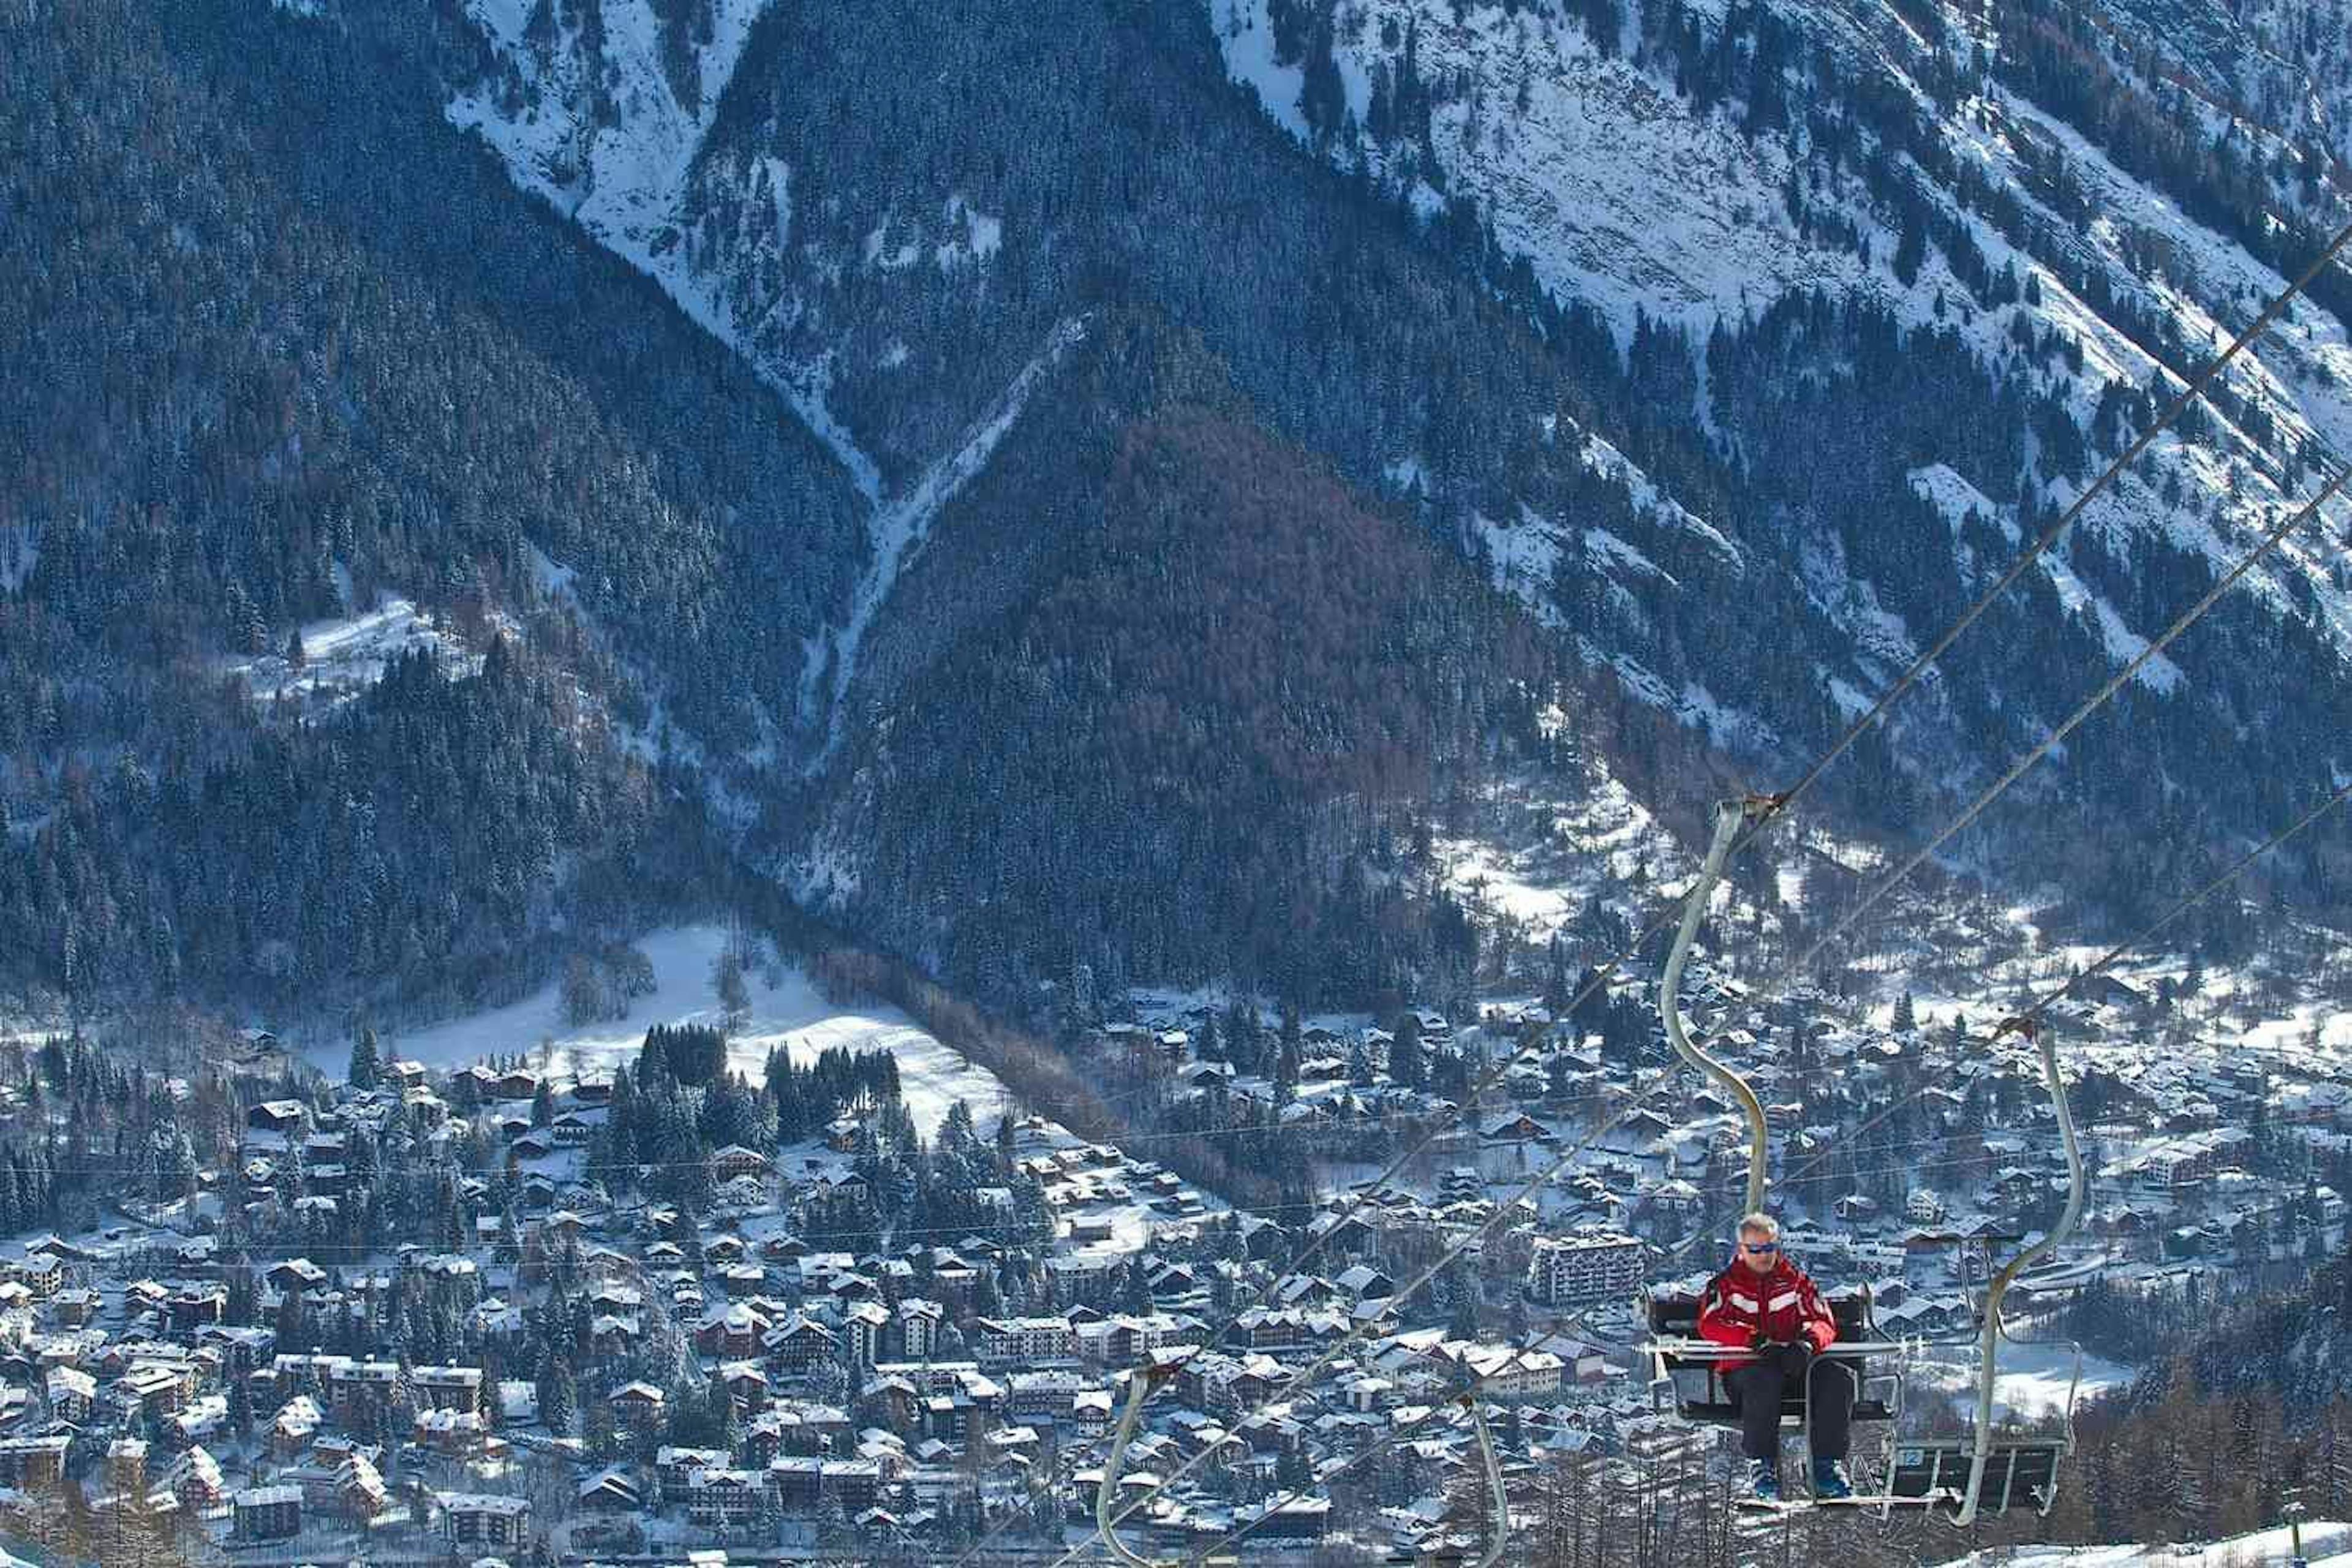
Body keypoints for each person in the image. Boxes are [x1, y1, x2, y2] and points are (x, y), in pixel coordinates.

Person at [1695, 1212, 1856, 1501]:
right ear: (1741, 1250)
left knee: (1837, 1377)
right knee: (1763, 1379)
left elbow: (1823, 1321)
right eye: (1755, 1249)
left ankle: (1825, 1466)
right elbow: (1710, 1324)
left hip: (1792, 1364)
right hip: (1747, 1371)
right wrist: (1753, 1339)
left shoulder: (1795, 1282)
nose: (1763, 1255)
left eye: (1769, 1248)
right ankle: (1761, 1463)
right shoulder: (1726, 1285)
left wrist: (1807, 1344)